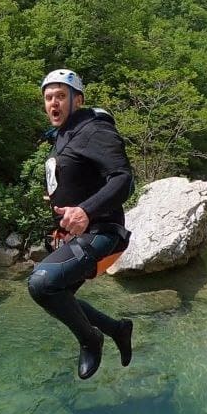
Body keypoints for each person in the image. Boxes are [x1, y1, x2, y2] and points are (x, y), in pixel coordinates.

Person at [27, 68, 135, 380]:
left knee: (41, 283)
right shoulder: (63, 136)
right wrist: (61, 217)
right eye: (48, 98)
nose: (53, 103)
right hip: (77, 234)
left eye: (60, 96)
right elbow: (77, 180)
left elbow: (124, 179)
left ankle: (91, 339)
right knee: (54, 293)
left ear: (78, 100)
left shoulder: (94, 129)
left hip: (104, 231)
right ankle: (117, 329)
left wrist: (86, 211)